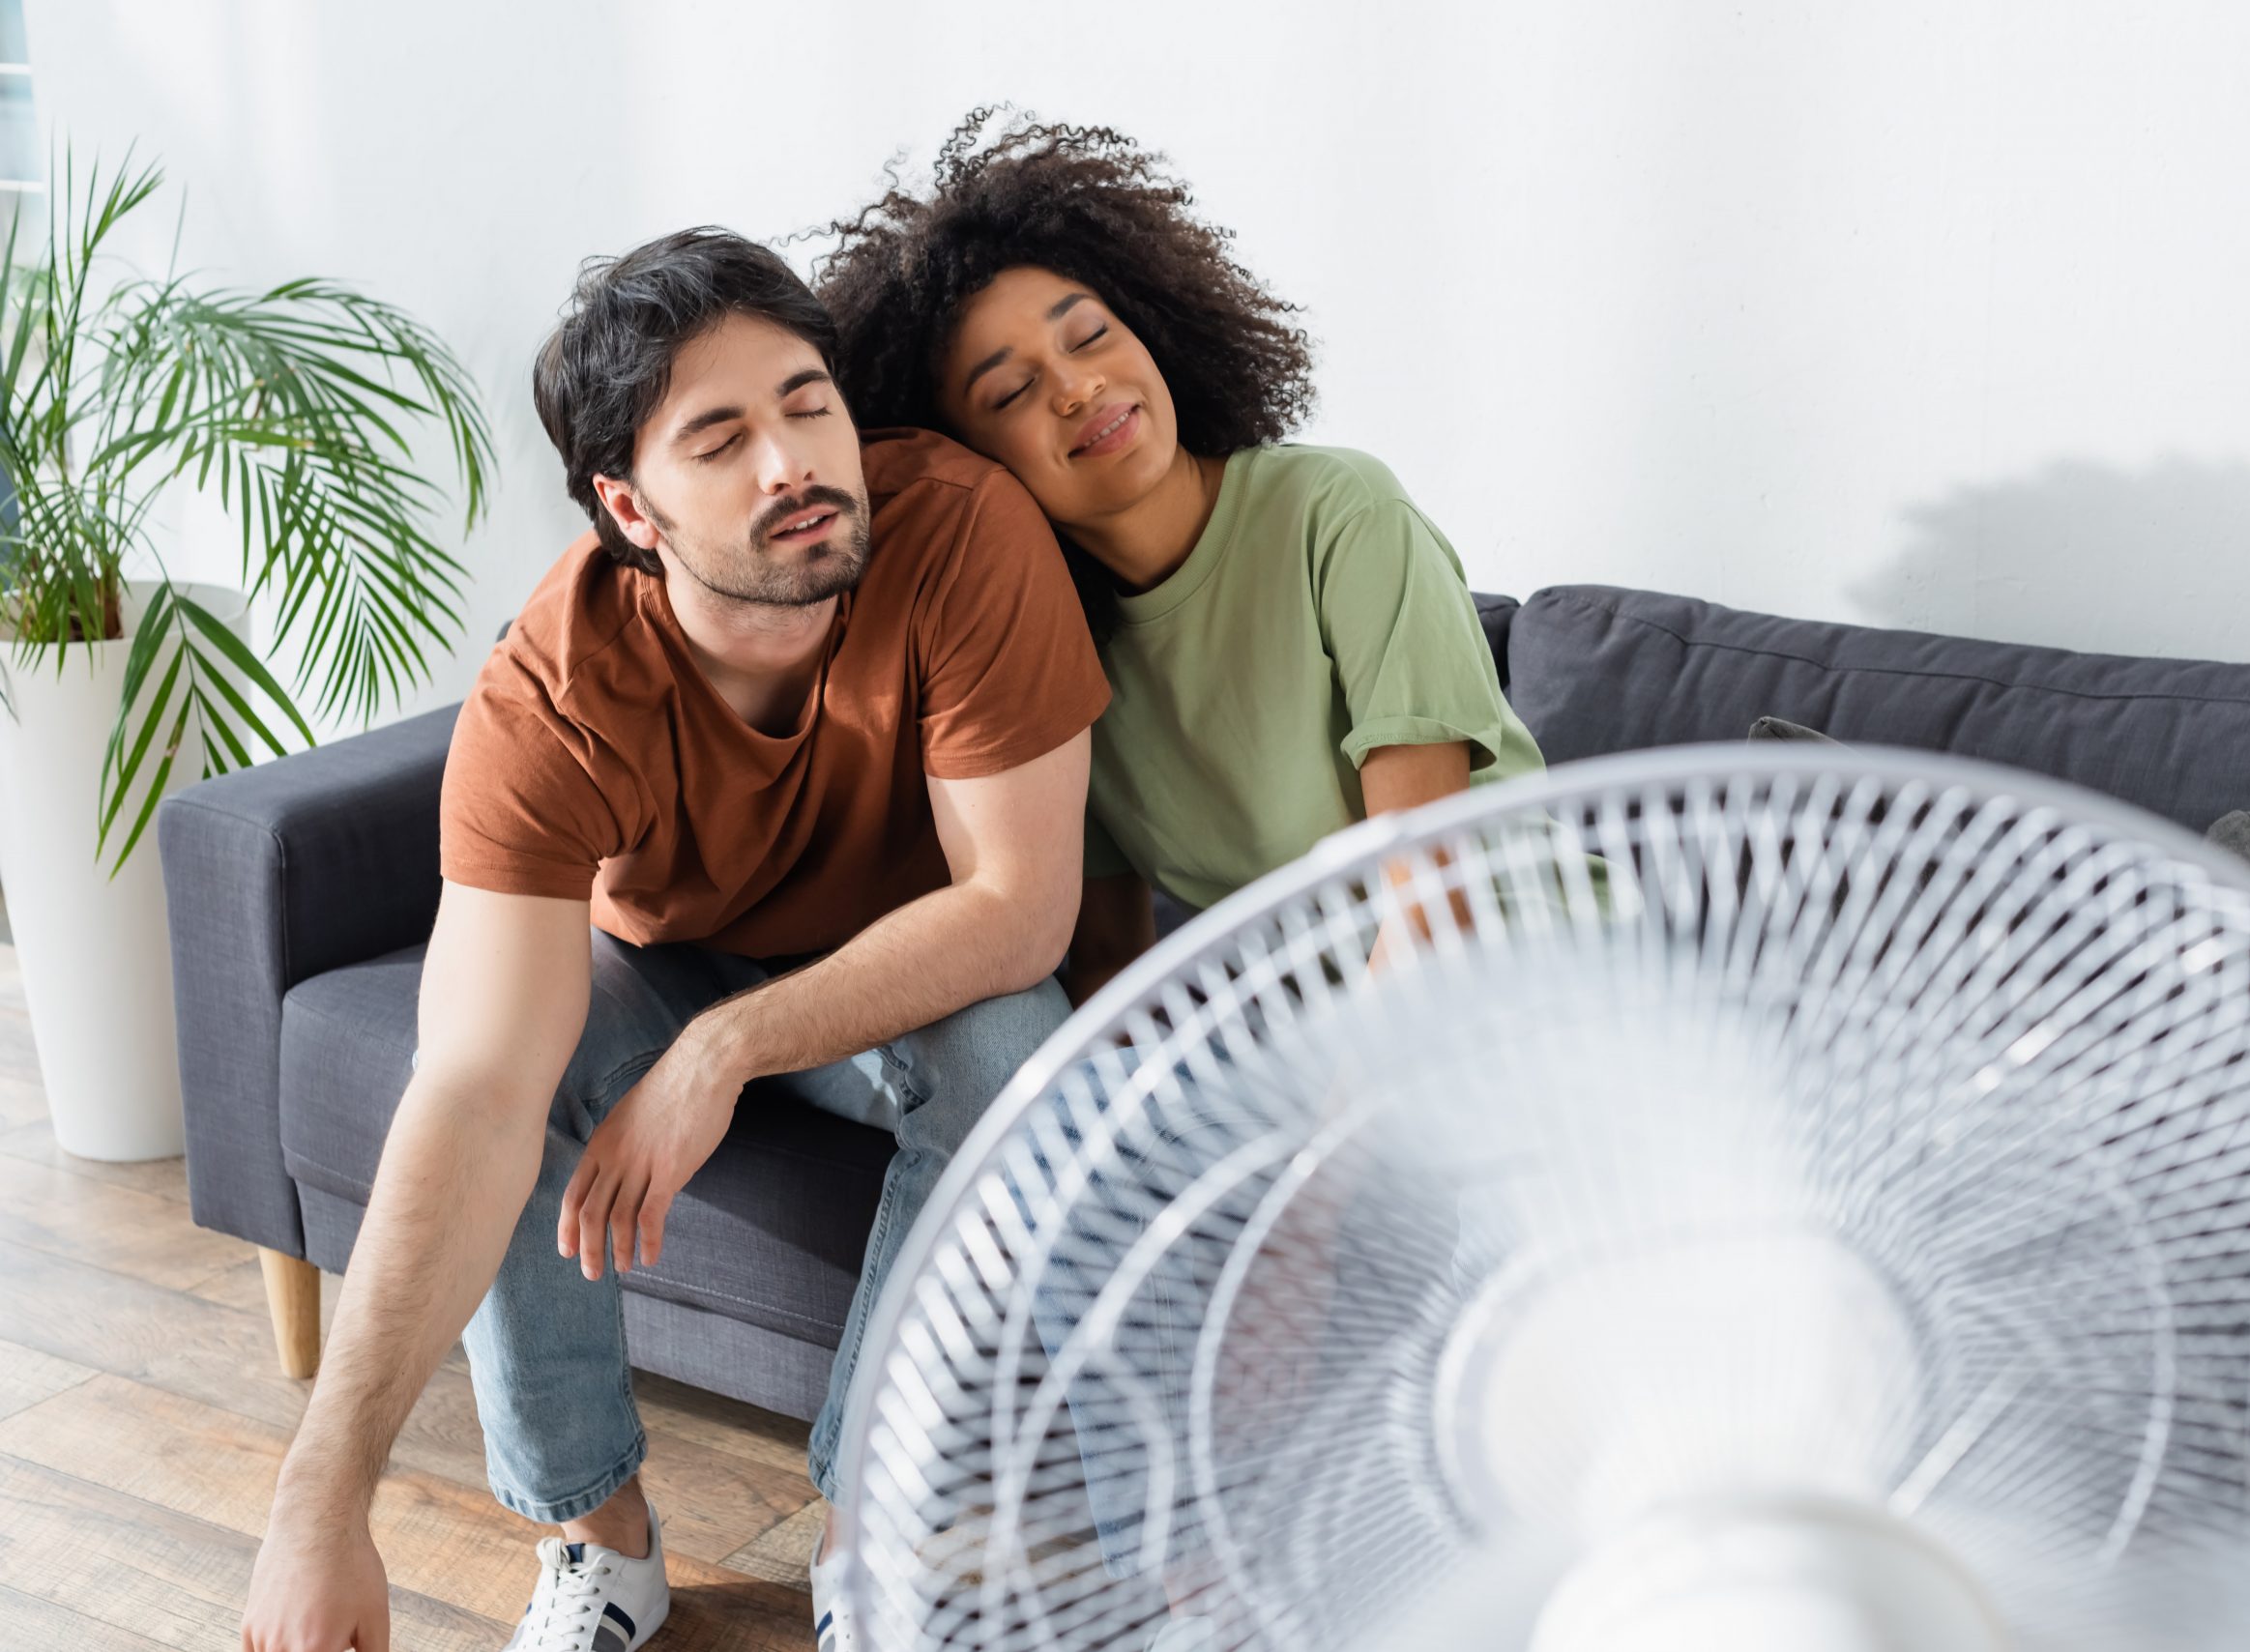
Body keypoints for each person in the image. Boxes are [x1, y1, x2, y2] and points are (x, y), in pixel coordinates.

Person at [239, 228, 1109, 1652]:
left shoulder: (961, 532)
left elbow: (1022, 906)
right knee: (509, 1102)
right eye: (721, 439)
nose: (793, 465)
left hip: (902, 957)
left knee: (1026, 1061)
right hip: (661, 951)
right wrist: (321, 1505)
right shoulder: (551, 694)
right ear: (630, 509)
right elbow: (471, 1089)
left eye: (807, 403)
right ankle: (599, 1542)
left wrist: (729, 1050)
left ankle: (871, 1542)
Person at [812, 111, 1551, 1003]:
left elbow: (1432, 902)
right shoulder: (1052, 656)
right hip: (1314, 1056)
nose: (1078, 386)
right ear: (969, 464)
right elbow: (1111, 971)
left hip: (1538, 995)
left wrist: (1328, 1135)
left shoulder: (1341, 515)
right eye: (1012, 390)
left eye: (1089, 336)